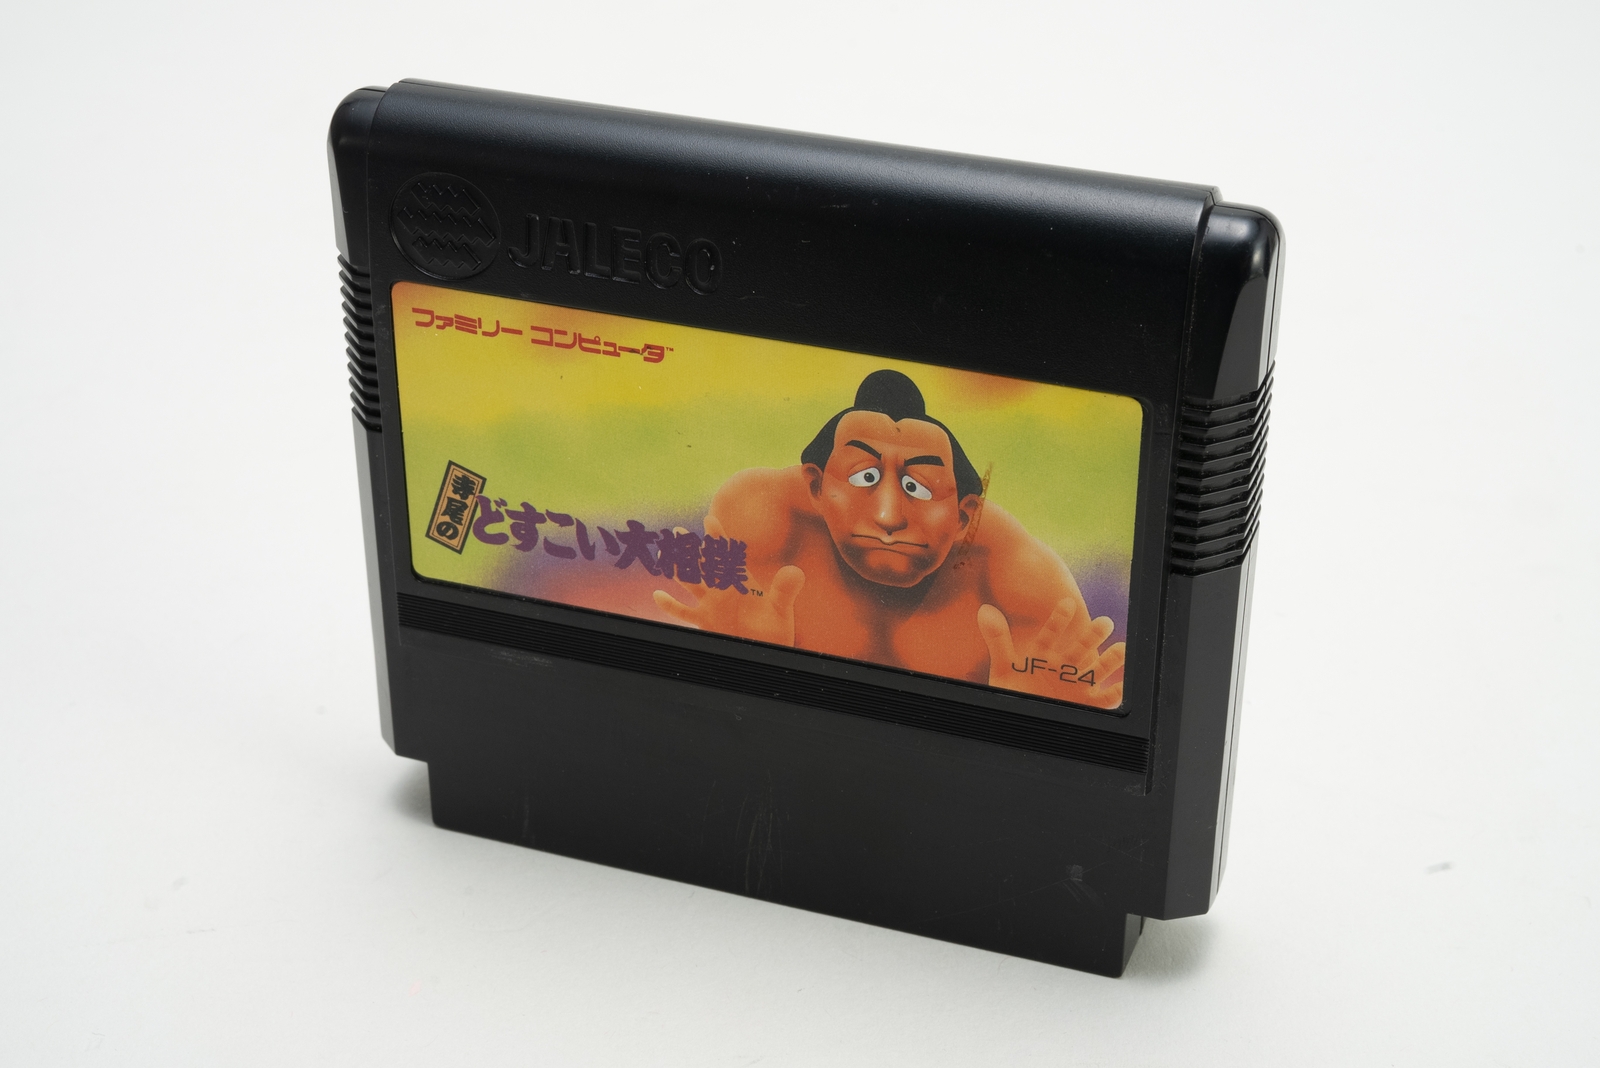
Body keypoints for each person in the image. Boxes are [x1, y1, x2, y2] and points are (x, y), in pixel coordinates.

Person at [653, 370, 1125, 708]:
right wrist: (738, 660)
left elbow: (1075, 727)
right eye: (864, 477)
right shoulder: (765, 518)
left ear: (965, 514)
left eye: (918, 487)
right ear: (816, 487)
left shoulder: (1016, 579)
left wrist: (1036, 718)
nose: (888, 516)